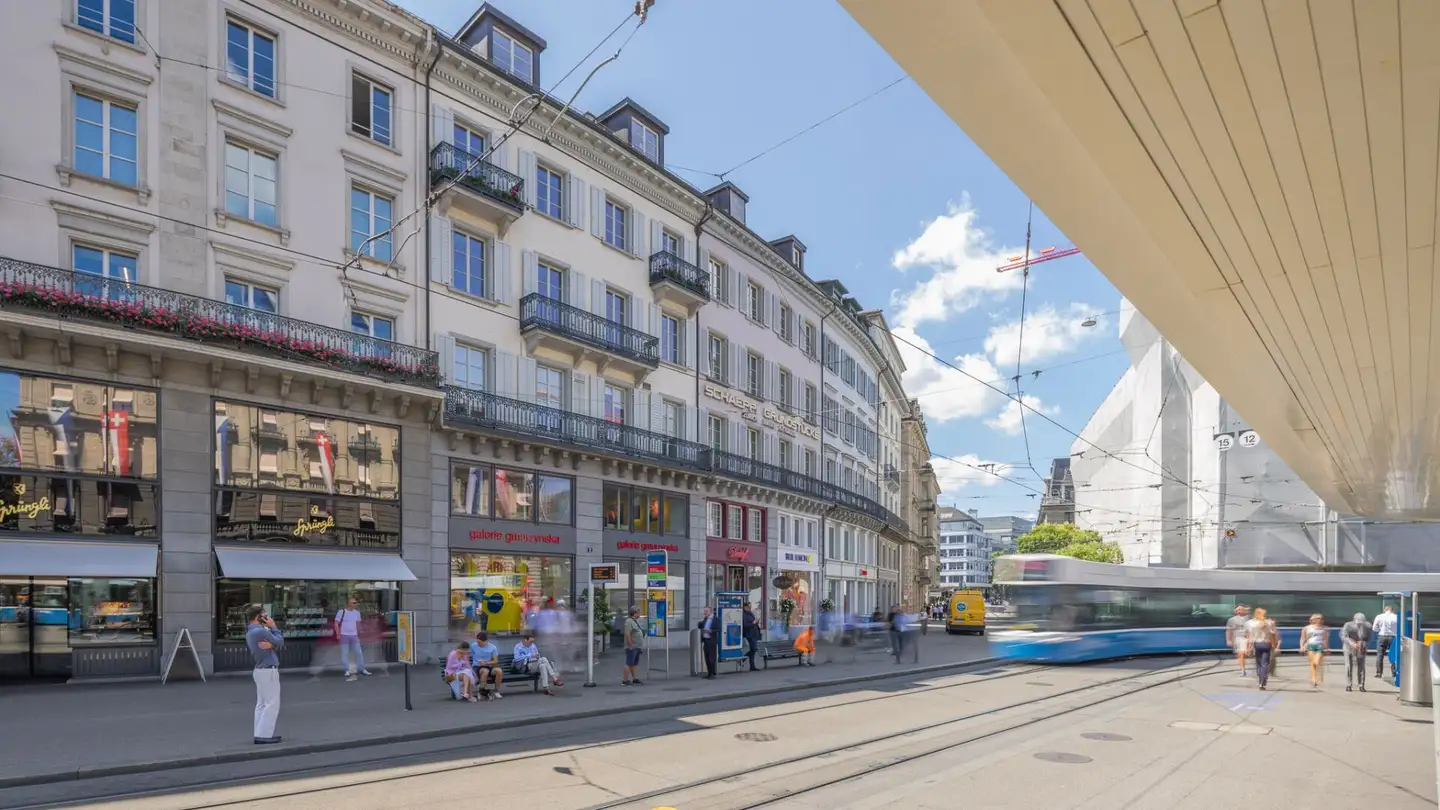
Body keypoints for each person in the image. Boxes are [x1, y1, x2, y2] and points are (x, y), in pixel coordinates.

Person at [245, 604, 284, 744]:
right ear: (258, 617)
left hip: (260, 670)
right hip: (268, 670)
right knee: (272, 703)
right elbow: (280, 641)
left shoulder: (251, 631)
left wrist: (272, 644)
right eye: (265, 615)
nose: (267, 618)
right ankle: (264, 735)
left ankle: (259, 732)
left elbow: (274, 643)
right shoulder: (261, 631)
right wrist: (273, 626)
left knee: (261, 704)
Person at [334, 597, 370, 681]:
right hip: (344, 635)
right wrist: (338, 634)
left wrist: (361, 632)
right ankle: (346, 670)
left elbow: (358, 624)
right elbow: (336, 623)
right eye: (354, 603)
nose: (355, 604)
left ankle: (362, 669)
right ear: (349, 603)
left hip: (354, 635)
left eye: (356, 603)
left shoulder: (357, 613)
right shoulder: (342, 612)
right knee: (345, 653)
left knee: (359, 653)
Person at [1244, 607, 1277, 690]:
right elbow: (1273, 634)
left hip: (1257, 644)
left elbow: (1249, 637)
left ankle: (1260, 678)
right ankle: (1263, 681)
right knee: (1265, 663)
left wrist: (1247, 647)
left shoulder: (1250, 623)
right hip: (1267, 644)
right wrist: (1274, 644)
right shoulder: (1269, 623)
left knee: (1258, 663)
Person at [1342, 612, 1372, 692]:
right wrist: (1351, 643)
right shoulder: (1348, 625)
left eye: (1361, 622)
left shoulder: (1368, 626)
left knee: (1361, 666)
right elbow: (1344, 636)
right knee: (1348, 665)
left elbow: (1369, 638)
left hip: (1361, 646)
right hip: (1349, 646)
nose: (1359, 624)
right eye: (1358, 622)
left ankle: (1361, 685)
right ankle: (1349, 684)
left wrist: (1364, 645)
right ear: (1354, 620)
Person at [469, 631, 503, 700]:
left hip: (488, 665)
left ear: (486, 641)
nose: (478, 644)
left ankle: (496, 691)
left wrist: (485, 663)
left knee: (499, 671)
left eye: (480, 642)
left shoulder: (493, 647)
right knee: (485, 671)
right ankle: (481, 691)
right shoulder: (473, 646)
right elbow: (467, 655)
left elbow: (495, 661)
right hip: (477, 666)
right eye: (477, 642)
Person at [1302, 613, 1329, 689]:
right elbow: (1303, 638)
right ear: (1313, 620)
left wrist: (1327, 648)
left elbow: (1325, 639)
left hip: (1320, 646)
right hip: (1310, 645)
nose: (1320, 620)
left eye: (1321, 618)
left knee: (1316, 662)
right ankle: (1314, 679)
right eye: (1318, 618)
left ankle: (1317, 677)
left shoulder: (1324, 628)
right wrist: (1301, 647)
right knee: (1312, 663)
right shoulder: (1306, 628)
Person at [1374, 605, 1399, 679]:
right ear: (1392, 610)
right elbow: (1397, 628)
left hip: (1382, 636)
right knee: (1394, 655)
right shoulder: (1396, 617)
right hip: (1392, 637)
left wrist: (1380, 630)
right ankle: (1394, 673)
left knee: (1380, 655)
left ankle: (1379, 673)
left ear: (1385, 610)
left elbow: (1374, 628)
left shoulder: (1379, 616)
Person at [1225, 605, 1251, 677]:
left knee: (1246, 654)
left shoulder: (1249, 618)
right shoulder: (1231, 620)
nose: (1239, 611)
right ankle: (1243, 670)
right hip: (1237, 639)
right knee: (1240, 654)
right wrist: (1228, 640)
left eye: (1241, 609)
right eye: (1237, 610)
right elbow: (1228, 630)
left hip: (1247, 638)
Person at [622, 606, 645, 686]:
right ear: (634, 613)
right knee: (629, 663)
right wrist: (630, 644)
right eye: (638, 612)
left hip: (637, 646)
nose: (639, 614)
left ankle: (634, 678)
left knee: (634, 663)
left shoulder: (635, 621)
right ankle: (625, 680)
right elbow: (627, 634)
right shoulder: (629, 621)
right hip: (632, 647)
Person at [698, 607, 719, 679]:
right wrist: (701, 622)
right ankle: (709, 673)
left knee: (711, 658)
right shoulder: (705, 619)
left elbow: (719, 629)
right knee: (706, 657)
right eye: (704, 611)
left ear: (710, 611)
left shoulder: (715, 619)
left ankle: (713, 673)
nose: (705, 613)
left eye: (706, 611)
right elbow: (699, 626)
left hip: (712, 640)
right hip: (705, 640)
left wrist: (711, 631)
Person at [742, 602, 761, 672]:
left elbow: (753, 621)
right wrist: (753, 623)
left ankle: (752, 665)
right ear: (745, 607)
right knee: (754, 649)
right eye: (749, 607)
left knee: (753, 650)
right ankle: (743, 658)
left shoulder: (750, 613)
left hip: (754, 633)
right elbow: (745, 625)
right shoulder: (744, 614)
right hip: (749, 634)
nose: (750, 608)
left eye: (750, 607)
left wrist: (756, 622)